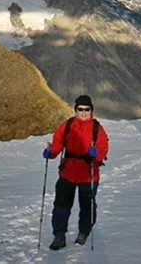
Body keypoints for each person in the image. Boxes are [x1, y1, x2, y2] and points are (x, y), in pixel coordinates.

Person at [42, 95, 109, 250]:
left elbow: (103, 148)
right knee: (61, 205)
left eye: (87, 109)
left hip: (89, 173)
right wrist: (50, 152)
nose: (84, 112)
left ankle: (84, 232)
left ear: (91, 110)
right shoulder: (68, 125)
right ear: (75, 110)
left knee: (87, 205)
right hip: (68, 172)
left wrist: (96, 154)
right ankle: (59, 234)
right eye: (80, 109)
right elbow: (57, 144)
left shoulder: (97, 128)